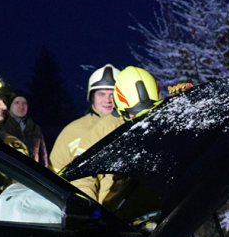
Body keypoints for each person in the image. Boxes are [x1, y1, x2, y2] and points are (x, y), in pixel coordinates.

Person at [68, 66, 161, 206]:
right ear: (121, 110)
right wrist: (87, 210)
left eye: (148, 112)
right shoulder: (101, 131)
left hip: (156, 212)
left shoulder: (162, 119)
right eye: (134, 114)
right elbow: (82, 178)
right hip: (116, 215)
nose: (142, 119)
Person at [49, 63, 119, 172]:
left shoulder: (131, 124)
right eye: (101, 94)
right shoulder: (72, 130)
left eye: (113, 95)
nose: (108, 100)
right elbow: (54, 173)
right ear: (92, 97)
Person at [1, 90, 49, 167]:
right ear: (9, 105)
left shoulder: (35, 128)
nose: (21, 106)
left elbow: (43, 157)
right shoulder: (2, 126)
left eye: (24, 103)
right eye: (17, 102)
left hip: (31, 174)